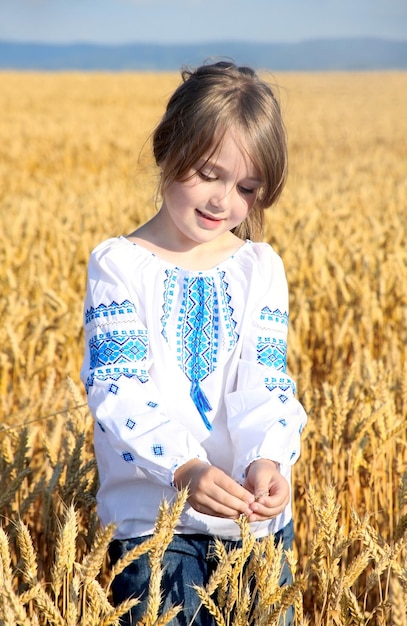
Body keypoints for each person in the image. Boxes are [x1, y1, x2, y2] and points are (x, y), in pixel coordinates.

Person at [81, 60, 307, 625]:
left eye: (247, 188)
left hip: (255, 529)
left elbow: (266, 380)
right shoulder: (120, 265)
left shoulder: (260, 267)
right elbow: (118, 388)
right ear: (166, 150)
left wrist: (267, 460)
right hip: (155, 529)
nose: (223, 201)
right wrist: (184, 468)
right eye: (208, 174)